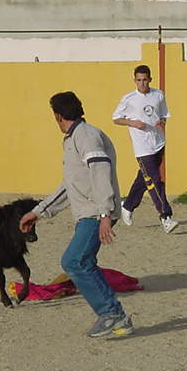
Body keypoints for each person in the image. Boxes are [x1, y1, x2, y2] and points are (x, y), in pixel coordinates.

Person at [19, 91, 133, 338]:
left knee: (74, 261)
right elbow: (70, 185)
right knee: (84, 262)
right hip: (91, 212)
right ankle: (116, 317)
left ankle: (112, 314)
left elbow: (100, 173)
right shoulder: (76, 138)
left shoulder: (86, 136)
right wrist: (38, 212)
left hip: (95, 213)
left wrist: (104, 214)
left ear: (57, 116)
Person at [112, 64, 178, 233]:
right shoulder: (129, 99)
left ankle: (127, 206)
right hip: (142, 147)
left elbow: (163, 115)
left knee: (144, 177)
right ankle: (165, 216)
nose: (142, 83)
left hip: (158, 143)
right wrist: (132, 123)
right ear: (134, 80)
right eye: (139, 80)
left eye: (145, 80)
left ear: (150, 79)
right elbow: (116, 118)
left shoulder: (158, 95)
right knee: (155, 180)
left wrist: (161, 122)